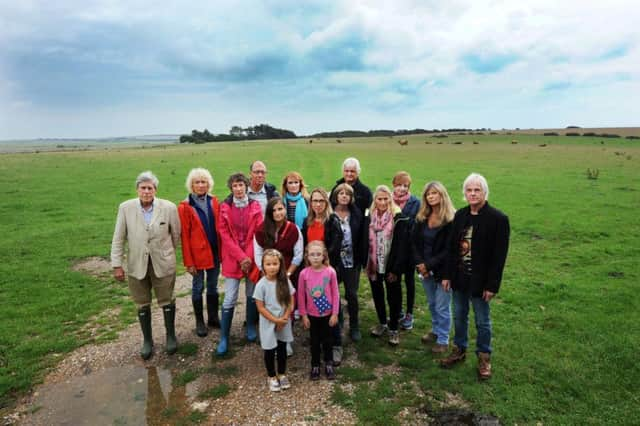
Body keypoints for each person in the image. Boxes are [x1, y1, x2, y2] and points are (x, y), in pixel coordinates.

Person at [439, 173, 510, 380]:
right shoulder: (460, 216)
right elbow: (452, 249)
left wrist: (492, 285)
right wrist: (447, 275)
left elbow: (499, 257)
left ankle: (484, 356)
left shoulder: (498, 219)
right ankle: (459, 350)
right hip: (460, 278)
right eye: (469, 190)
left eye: (477, 190)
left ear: (485, 192)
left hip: (481, 281)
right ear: (464, 193)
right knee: (459, 315)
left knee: (482, 320)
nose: (472, 194)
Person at [111, 171, 181, 359]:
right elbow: (118, 238)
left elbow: (175, 236)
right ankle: (147, 340)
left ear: (155, 190)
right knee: (142, 302)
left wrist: (165, 253)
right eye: (143, 188)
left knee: (167, 299)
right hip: (136, 264)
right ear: (137, 189)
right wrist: (117, 264)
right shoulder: (126, 208)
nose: (146, 191)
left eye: (150, 188)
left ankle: (171, 337)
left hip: (162, 263)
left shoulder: (169, 207)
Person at [216, 172, 263, 356]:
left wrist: (248, 257)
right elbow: (224, 235)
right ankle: (224, 337)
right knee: (230, 297)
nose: (238, 189)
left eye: (241, 185)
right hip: (233, 258)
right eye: (234, 186)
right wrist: (240, 257)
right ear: (231, 188)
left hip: (251, 258)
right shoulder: (224, 207)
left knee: (252, 293)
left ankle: (251, 325)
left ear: (246, 186)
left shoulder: (255, 206)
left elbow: (257, 233)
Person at [301, 188, 344, 363]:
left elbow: (336, 245)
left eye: (321, 201)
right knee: (314, 303)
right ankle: (317, 337)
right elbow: (305, 244)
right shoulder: (307, 221)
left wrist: (324, 265)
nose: (317, 204)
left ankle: (336, 344)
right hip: (311, 270)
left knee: (332, 303)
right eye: (314, 201)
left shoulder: (332, 220)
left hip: (327, 270)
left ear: (326, 203)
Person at [411, 181, 455, 354]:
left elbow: (449, 250)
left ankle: (443, 339)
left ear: (442, 195)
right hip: (424, 269)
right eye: (428, 194)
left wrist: (428, 265)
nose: (431, 197)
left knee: (443, 306)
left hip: (444, 271)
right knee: (432, 303)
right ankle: (436, 330)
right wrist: (420, 264)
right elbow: (414, 243)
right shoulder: (422, 218)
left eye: (434, 193)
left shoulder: (451, 220)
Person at [178, 168, 222, 338]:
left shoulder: (214, 201)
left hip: (214, 252)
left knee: (213, 285)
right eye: (197, 182)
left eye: (204, 182)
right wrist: (189, 262)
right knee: (198, 287)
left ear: (208, 184)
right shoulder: (185, 206)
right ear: (192, 185)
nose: (201, 185)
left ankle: (212, 318)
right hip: (196, 256)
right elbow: (184, 237)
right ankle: (199, 321)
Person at [366, 185, 411, 346]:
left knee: (394, 297)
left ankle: (393, 328)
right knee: (377, 294)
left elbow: (402, 246)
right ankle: (382, 322)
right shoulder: (369, 216)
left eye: (386, 199)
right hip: (373, 264)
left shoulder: (398, 217)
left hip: (391, 265)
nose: (383, 202)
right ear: (375, 200)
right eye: (379, 199)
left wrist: (396, 269)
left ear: (390, 199)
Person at [253, 249, 295, 392]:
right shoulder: (261, 285)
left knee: (282, 348)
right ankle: (271, 376)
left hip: (284, 321)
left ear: (280, 264)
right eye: (268, 264)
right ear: (263, 266)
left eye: (275, 264)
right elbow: (261, 307)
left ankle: (282, 374)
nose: (272, 267)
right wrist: (275, 320)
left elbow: (291, 301)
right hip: (268, 322)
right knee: (269, 350)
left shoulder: (285, 282)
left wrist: (284, 318)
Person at [331, 183, 369, 342]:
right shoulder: (330, 214)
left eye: (347, 193)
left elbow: (363, 238)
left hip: (352, 261)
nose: (344, 196)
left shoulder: (357, 214)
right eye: (341, 193)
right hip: (333, 261)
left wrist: (362, 260)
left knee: (351, 294)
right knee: (334, 294)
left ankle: (354, 325)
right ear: (336, 196)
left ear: (351, 197)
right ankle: (338, 321)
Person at [297, 241, 339, 380]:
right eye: (312, 254)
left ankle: (328, 364)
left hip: (328, 315)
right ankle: (315, 365)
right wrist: (303, 315)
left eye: (318, 254)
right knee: (314, 342)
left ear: (324, 255)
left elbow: (335, 294)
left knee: (328, 341)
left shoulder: (330, 272)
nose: (315, 257)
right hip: (312, 315)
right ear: (307, 256)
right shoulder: (303, 274)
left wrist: (335, 313)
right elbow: (301, 295)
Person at [391, 171, 420, 331]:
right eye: (399, 185)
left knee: (409, 281)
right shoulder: (387, 200)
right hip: (392, 249)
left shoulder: (415, 202)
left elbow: (415, 224)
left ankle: (409, 313)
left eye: (405, 186)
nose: (402, 189)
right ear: (393, 185)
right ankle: (398, 311)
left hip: (409, 249)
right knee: (394, 281)